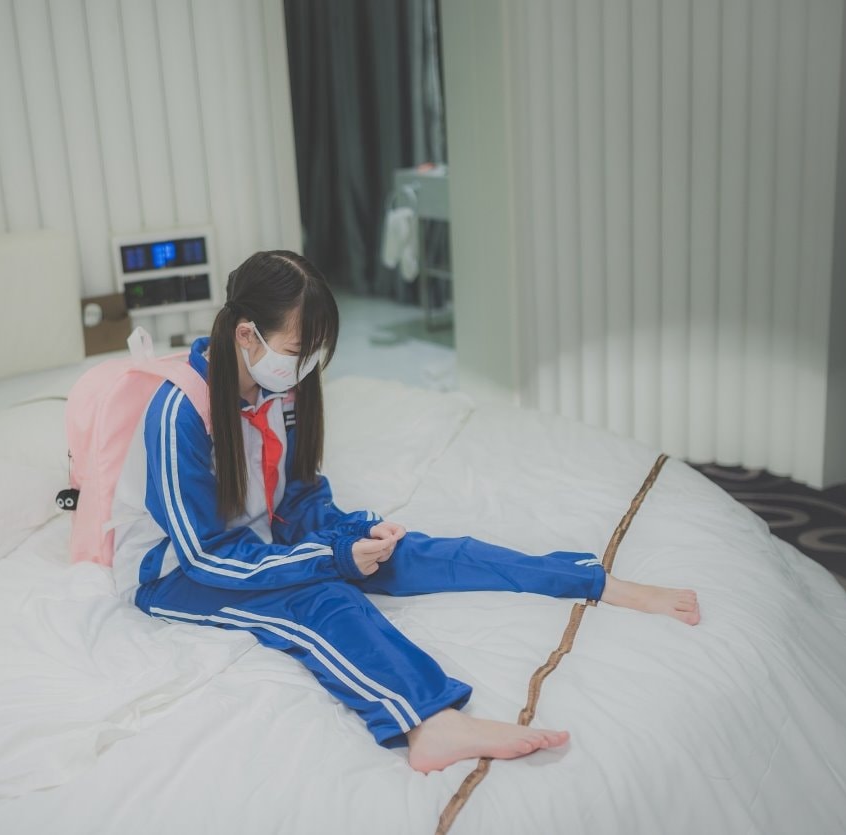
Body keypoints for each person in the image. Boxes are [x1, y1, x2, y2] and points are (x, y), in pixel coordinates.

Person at [110, 250, 700, 774]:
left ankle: (588, 579)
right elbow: (205, 555)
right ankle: (430, 724)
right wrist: (331, 559)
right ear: (247, 335)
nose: (305, 367)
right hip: (180, 571)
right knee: (323, 599)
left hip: (260, 541)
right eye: (295, 351)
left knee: (416, 551)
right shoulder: (178, 413)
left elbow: (298, 496)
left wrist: (354, 533)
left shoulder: (280, 386)